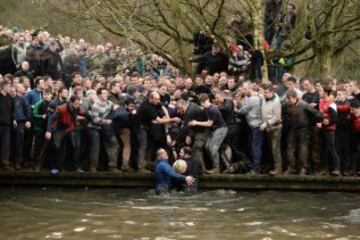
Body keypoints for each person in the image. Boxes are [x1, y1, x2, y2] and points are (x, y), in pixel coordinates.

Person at [283, 89, 322, 175]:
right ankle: (291, 167)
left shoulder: (304, 105)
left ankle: (304, 168)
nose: (288, 101)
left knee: (303, 149)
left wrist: (315, 123)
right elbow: (284, 115)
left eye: (289, 99)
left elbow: (317, 113)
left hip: (303, 129)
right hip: (292, 129)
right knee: (290, 149)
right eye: (287, 99)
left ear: (294, 98)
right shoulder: (286, 106)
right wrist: (288, 121)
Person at [45, 96, 86, 174]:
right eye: (75, 104)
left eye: (78, 104)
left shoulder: (77, 108)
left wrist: (82, 120)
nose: (77, 105)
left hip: (69, 127)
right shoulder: (62, 109)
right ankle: (56, 167)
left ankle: (74, 166)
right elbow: (51, 119)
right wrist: (48, 131)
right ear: (71, 103)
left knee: (74, 146)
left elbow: (77, 116)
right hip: (59, 128)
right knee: (56, 146)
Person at [189, 94, 228, 174]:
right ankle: (218, 166)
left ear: (204, 102)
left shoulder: (212, 109)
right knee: (207, 146)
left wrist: (196, 123)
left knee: (212, 148)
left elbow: (209, 124)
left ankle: (217, 168)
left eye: (201, 103)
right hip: (215, 130)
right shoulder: (207, 108)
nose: (202, 105)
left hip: (221, 129)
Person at [235, 84, 263, 174]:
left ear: (251, 89)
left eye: (245, 89)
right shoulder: (249, 98)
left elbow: (243, 110)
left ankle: (256, 168)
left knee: (255, 147)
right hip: (251, 126)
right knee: (251, 146)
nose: (243, 90)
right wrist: (238, 102)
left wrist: (234, 108)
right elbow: (244, 106)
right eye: (243, 88)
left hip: (256, 126)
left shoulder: (254, 99)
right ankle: (254, 166)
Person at [260, 83, 282, 175]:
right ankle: (271, 166)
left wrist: (266, 123)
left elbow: (277, 117)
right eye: (264, 92)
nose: (264, 94)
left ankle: (278, 168)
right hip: (267, 128)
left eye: (266, 92)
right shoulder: (264, 99)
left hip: (275, 128)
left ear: (271, 92)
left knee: (275, 148)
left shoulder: (276, 102)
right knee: (269, 149)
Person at [12, 83, 32, 170]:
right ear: (17, 88)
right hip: (11, 122)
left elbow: (28, 110)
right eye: (22, 87)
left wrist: (28, 120)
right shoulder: (12, 98)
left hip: (21, 123)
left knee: (19, 142)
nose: (24, 88)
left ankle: (18, 162)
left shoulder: (23, 99)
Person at [0, 82, 16, 170]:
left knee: (5, 145)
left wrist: (13, 119)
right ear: (3, 87)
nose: (10, 88)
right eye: (8, 87)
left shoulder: (10, 98)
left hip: (7, 125)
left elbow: (12, 110)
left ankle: (5, 163)